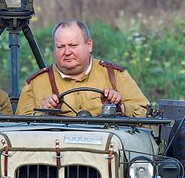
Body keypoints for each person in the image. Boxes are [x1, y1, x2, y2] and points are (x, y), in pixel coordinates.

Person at [16, 20, 149, 117]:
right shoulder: (36, 83)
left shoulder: (115, 75)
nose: (67, 52)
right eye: (61, 47)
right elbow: (19, 130)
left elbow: (147, 116)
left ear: (89, 45)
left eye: (73, 45)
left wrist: (120, 106)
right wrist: (42, 111)